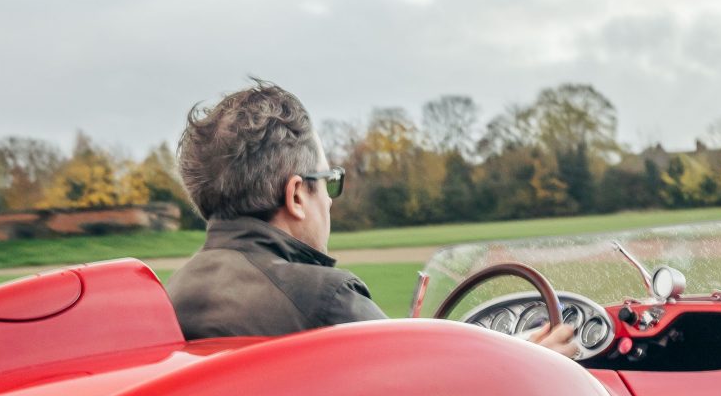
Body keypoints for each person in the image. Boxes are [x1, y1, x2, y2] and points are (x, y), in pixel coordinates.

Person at [167, 83, 578, 353]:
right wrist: (531, 360)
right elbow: (435, 392)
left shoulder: (176, 294)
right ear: (296, 195)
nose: (329, 202)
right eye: (327, 183)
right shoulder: (325, 299)